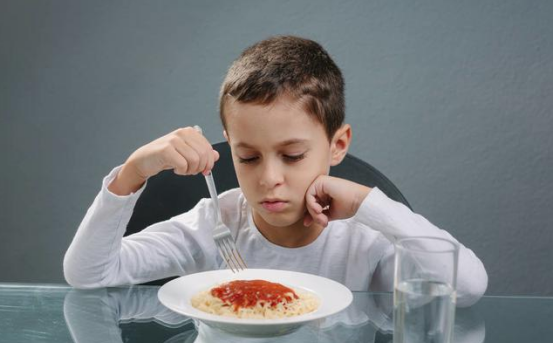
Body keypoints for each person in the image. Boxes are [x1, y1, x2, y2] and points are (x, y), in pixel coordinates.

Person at [64, 35, 487, 307]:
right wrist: (134, 172)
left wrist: (364, 202)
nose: (269, 179)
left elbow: (468, 286)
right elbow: (88, 274)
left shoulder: (365, 240)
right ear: (229, 147)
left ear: (337, 144)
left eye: (292, 156)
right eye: (247, 158)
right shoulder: (214, 225)